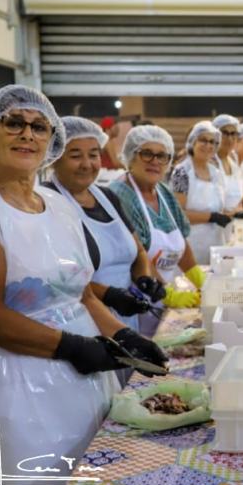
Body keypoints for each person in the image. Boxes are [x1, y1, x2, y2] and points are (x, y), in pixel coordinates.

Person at [0, 86, 166, 485]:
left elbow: (81, 293)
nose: (28, 134)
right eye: (14, 123)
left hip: (84, 374)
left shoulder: (59, 205)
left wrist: (123, 336)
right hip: (21, 383)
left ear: (51, 138)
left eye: (39, 126)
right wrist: (71, 347)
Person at [46, 116, 166, 333]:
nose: (87, 164)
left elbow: (137, 250)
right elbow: (55, 277)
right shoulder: (46, 202)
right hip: (79, 325)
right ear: (54, 158)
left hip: (125, 318)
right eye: (75, 156)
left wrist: (144, 278)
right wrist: (109, 295)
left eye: (93, 155)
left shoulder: (107, 197)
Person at [109, 125, 205, 334]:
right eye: (147, 154)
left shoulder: (162, 192)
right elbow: (138, 255)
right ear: (130, 157)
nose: (155, 161)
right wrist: (167, 293)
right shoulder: (120, 195)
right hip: (133, 301)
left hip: (159, 295)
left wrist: (198, 277)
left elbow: (179, 238)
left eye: (162, 156)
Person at [170, 122, 231, 262]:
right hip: (190, 245)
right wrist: (211, 217)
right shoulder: (182, 172)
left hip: (216, 244)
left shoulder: (216, 173)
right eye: (203, 140)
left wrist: (231, 215)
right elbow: (179, 215)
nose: (208, 146)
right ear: (192, 142)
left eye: (213, 142)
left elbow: (218, 208)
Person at [212, 114, 243, 220]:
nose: (230, 138)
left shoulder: (233, 162)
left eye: (233, 134)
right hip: (208, 228)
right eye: (225, 133)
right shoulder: (210, 161)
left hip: (229, 225)